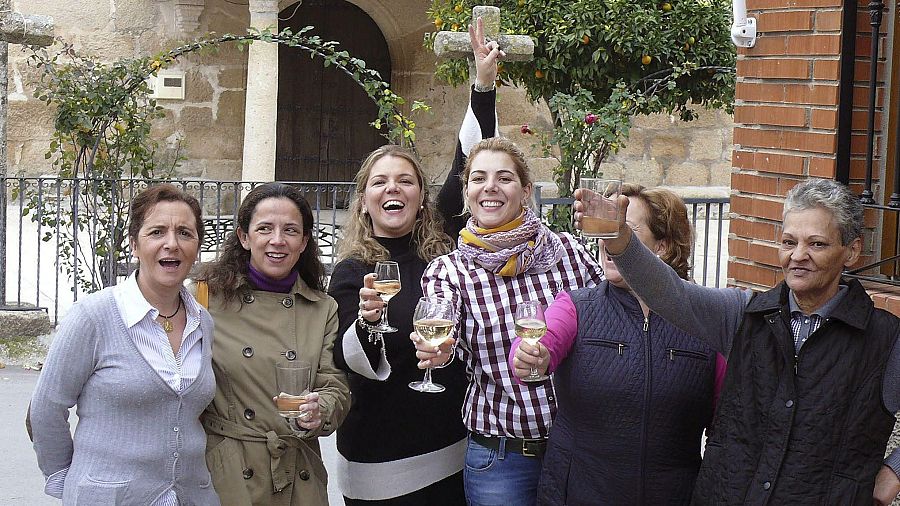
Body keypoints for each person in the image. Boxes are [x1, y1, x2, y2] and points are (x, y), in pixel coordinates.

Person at [590, 178, 900, 505]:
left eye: (817, 244)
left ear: (851, 251)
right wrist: (620, 238)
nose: (798, 256)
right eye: (788, 242)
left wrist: (894, 471)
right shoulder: (744, 316)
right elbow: (670, 294)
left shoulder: (885, 340)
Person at [326, 17, 501, 505]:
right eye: (379, 182)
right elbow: (346, 357)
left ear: (423, 197)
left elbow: (467, 161)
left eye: (405, 180)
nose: (392, 189)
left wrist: (482, 85)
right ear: (363, 200)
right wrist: (367, 321)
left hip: (449, 444)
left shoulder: (443, 241)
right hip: (381, 456)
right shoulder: (352, 272)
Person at [414, 136, 605, 506]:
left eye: (504, 178)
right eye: (478, 178)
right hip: (500, 457)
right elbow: (442, 318)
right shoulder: (450, 271)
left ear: (526, 190)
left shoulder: (566, 252)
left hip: (576, 451)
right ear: (466, 190)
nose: (490, 187)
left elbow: (612, 313)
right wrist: (437, 348)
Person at [510, 184, 726, 505]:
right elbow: (538, 345)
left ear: (663, 246)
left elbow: (727, 424)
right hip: (577, 495)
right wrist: (530, 356)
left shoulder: (706, 321)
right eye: (608, 228)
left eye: (624, 229)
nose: (608, 240)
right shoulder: (576, 307)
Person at [29, 184, 219, 505]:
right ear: (133, 244)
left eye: (184, 233)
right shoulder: (93, 316)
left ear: (197, 246)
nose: (171, 244)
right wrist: (69, 481)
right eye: (157, 232)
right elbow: (45, 410)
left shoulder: (204, 322)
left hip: (190, 496)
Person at [195, 183, 351, 506]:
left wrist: (318, 410)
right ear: (244, 237)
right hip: (228, 475)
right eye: (264, 228)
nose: (277, 240)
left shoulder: (323, 309)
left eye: (290, 230)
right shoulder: (205, 298)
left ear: (304, 241)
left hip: (298, 477)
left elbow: (335, 386)